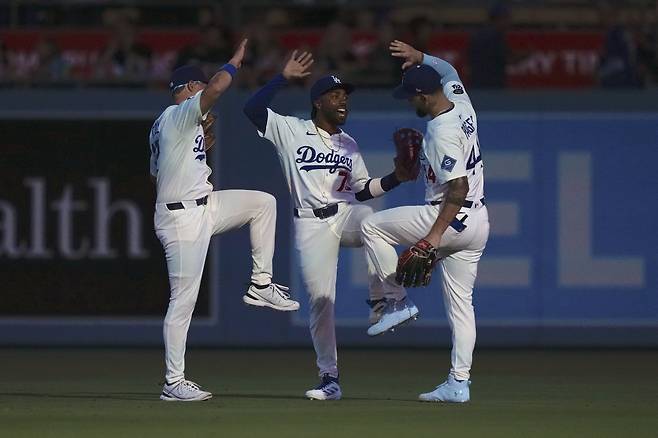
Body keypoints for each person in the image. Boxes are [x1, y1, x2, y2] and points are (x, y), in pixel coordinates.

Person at [243, 51, 414, 401]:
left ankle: (388, 302)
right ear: (317, 101)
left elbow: (363, 189)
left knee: (371, 221)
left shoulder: (348, 144)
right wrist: (282, 77)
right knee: (322, 302)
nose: (343, 101)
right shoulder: (291, 128)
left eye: (345, 97)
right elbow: (252, 109)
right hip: (310, 224)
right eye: (336, 96)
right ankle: (329, 378)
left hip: (345, 213)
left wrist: (396, 178)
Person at [149, 39, 299, 402]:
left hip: (203, 205)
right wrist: (233, 62)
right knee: (182, 301)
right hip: (182, 218)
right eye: (198, 85)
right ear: (186, 89)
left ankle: (261, 283)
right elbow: (217, 86)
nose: (204, 90)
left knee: (263, 203)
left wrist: (202, 140)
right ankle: (173, 381)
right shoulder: (179, 112)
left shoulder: (168, 125)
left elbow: (161, 172)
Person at [360, 40, 489, 403]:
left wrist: (432, 238)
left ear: (424, 96)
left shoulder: (441, 131)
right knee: (462, 306)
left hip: (446, 215)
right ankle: (459, 383)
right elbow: (450, 72)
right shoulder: (462, 104)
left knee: (372, 226)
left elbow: (458, 188)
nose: (409, 102)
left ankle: (397, 303)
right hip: (478, 223)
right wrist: (421, 57)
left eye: (411, 96)